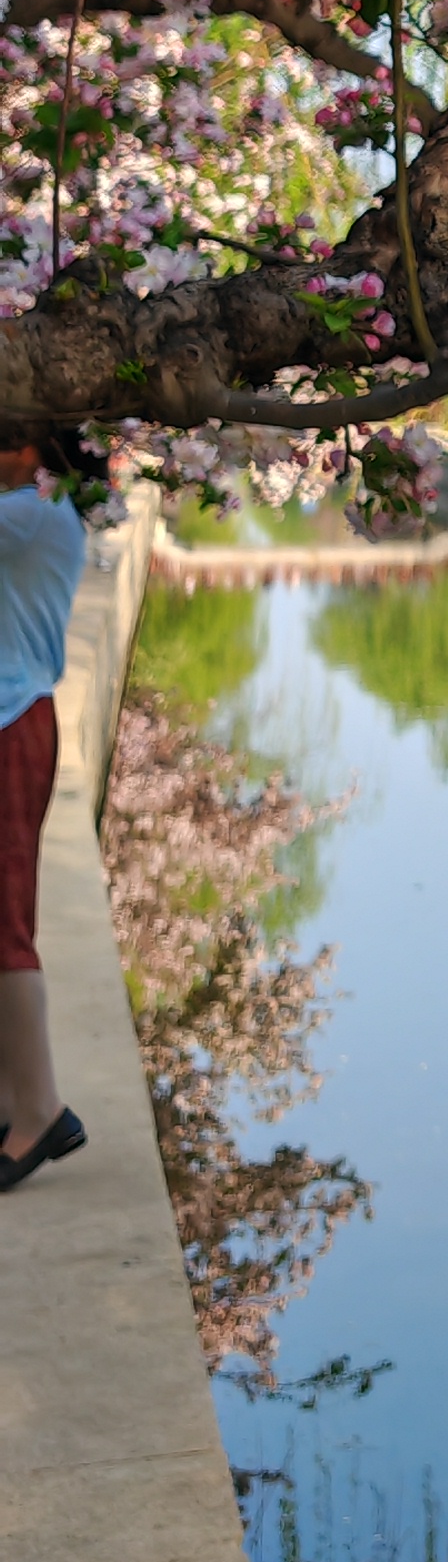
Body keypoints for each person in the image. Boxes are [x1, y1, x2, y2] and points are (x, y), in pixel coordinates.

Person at [0, 430, 93, 1191]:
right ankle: (10, 1099)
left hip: (9, 726)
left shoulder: (34, 508)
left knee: (6, 928)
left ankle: (40, 1112)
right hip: (12, 718)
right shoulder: (38, 505)